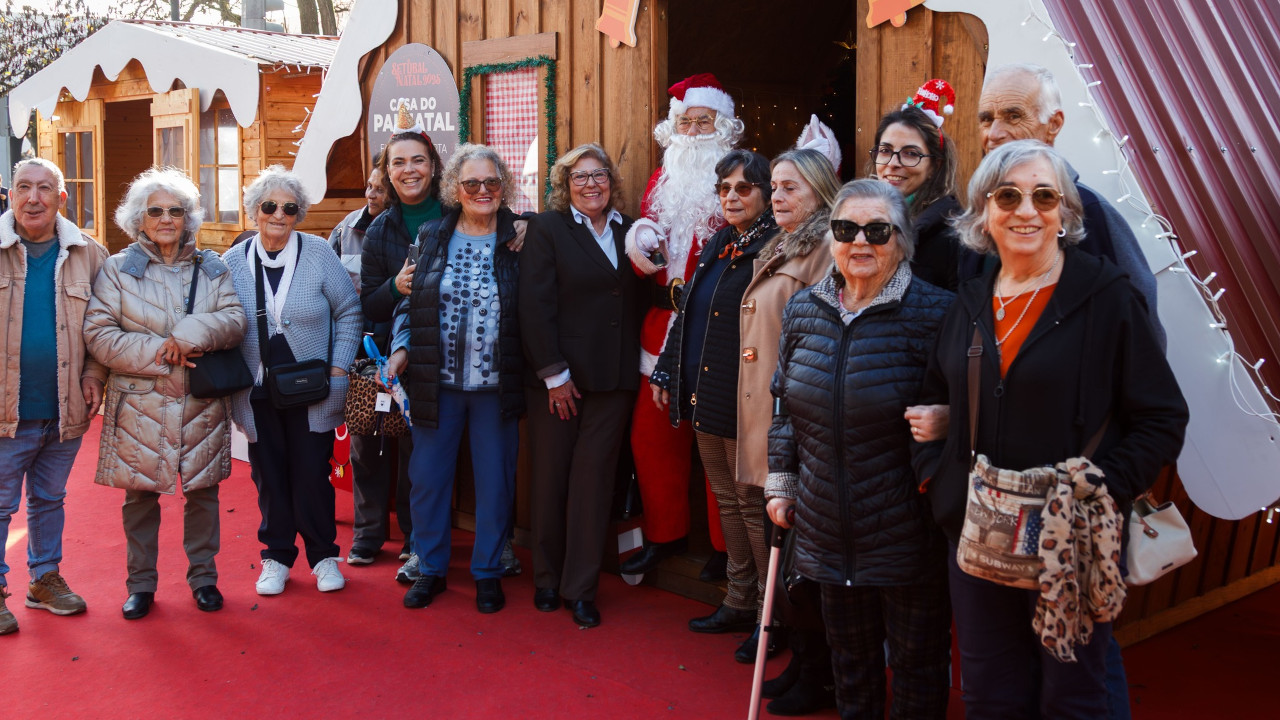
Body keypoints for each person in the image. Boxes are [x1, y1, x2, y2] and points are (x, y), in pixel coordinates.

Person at [912, 141, 1188, 719]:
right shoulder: (968, 301)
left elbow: (1162, 416)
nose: (1026, 210)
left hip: (1071, 537)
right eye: (1007, 195)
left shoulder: (1106, 295)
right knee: (990, 692)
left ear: (1065, 213)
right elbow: (935, 393)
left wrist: (1097, 490)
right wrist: (938, 479)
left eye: (1044, 196)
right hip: (979, 531)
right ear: (984, 212)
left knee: (1073, 695)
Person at [766, 179, 954, 719]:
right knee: (851, 664)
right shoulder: (804, 310)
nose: (861, 242)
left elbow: (974, 406)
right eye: (847, 229)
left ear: (903, 239)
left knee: (918, 666)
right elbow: (783, 408)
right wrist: (781, 484)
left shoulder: (936, 313)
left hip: (905, 529)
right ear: (831, 236)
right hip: (825, 525)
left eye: (878, 230)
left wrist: (951, 420)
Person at [83, 168, 247, 619]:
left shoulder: (213, 267)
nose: (166, 219)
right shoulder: (117, 269)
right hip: (140, 401)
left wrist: (192, 333)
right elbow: (99, 334)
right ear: (139, 219)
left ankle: (204, 579)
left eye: (176, 210)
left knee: (203, 492)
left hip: (199, 400)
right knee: (139, 498)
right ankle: (140, 585)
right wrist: (162, 350)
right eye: (155, 211)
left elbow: (235, 320)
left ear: (188, 218)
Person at [382, 144, 524, 613]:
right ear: (455, 189)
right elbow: (409, 304)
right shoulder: (431, 235)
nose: (482, 191)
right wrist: (401, 349)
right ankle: (432, 568)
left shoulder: (519, 238)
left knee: (495, 481)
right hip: (435, 383)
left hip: (495, 385)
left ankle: (486, 571)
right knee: (427, 479)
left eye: (491, 183)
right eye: (471, 184)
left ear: (503, 188)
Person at [649, 150, 779, 655]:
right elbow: (689, 311)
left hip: (745, 395)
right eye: (724, 187)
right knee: (727, 499)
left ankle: (772, 615)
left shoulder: (774, 247)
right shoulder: (721, 242)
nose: (732, 196)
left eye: (744, 188)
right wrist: (666, 367)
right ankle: (740, 598)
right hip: (704, 388)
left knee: (751, 504)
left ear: (766, 194)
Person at [620, 73, 739, 577]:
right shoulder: (662, 177)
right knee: (652, 437)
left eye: (702, 121)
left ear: (723, 126)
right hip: (663, 322)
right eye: (685, 121)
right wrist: (640, 238)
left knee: (714, 441)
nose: (692, 131)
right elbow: (648, 231)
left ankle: (725, 547)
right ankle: (665, 533)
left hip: (715, 328)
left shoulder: (737, 179)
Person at [224, 166, 362, 596]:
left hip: (313, 391)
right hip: (258, 392)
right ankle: (276, 557)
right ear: (254, 212)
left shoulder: (319, 252)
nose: (279, 215)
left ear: (298, 213)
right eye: (269, 206)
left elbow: (349, 312)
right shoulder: (231, 262)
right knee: (269, 476)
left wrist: (339, 370)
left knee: (310, 475)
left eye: (289, 207)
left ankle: (323, 556)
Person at [521, 143, 643, 628]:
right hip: (559, 379)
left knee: (593, 484)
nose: (591, 184)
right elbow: (534, 305)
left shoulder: (634, 231)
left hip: (614, 379)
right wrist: (554, 374)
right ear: (564, 186)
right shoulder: (547, 229)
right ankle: (547, 579)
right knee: (551, 479)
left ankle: (581, 589)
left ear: (611, 181)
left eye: (599, 176)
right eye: (580, 177)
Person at [739, 147, 842, 712]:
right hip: (770, 418)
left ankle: (820, 671)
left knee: (804, 560)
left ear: (821, 191)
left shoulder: (829, 248)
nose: (776, 197)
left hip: (801, 418)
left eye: (790, 188)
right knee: (786, 551)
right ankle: (804, 659)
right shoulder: (780, 241)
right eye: (774, 187)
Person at [968, 62, 1164, 348]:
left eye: (1013, 116)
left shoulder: (1087, 210)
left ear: (1054, 124)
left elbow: (1139, 326)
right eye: (986, 119)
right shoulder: (977, 212)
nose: (994, 133)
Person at [0, 158, 107, 635]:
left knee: (49, 498)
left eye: (45, 189)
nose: (33, 198)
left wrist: (95, 371)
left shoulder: (90, 254)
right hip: (5, 410)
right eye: (23, 188)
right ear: (10, 196)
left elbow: (106, 326)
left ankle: (44, 579)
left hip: (64, 407)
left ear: (63, 199)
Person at [328, 157, 409, 567]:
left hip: (413, 354)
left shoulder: (412, 228)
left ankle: (414, 536)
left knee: (413, 448)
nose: (371, 193)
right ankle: (369, 534)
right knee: (366, 444)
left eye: (380, 187)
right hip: (365, 353)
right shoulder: (345, 231)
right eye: (370, 185)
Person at [868, 79, 962, 291]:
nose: (893, 164)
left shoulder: (951, 237)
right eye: (885, 151)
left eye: (910, 154)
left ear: (934, 166)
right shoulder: (857, 223)